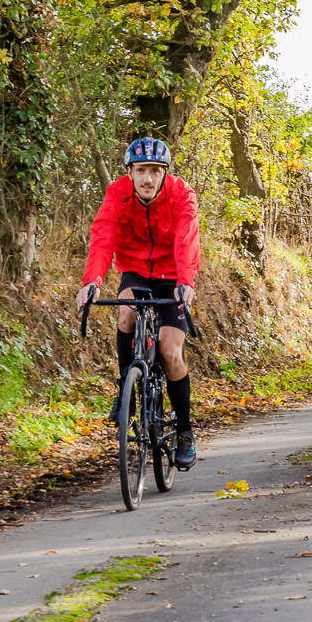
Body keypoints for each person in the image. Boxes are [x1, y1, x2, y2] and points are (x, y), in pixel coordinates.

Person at [76, 136, 202, 469]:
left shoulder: (181, 194)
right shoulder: (117, 194)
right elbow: (103, 237)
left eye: (155, 171)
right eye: (141, 170)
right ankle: (126, 390)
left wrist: (186, 283)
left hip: (174, 274)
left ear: (165, 173)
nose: (148, 179)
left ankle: (185, 431)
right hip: (135, 271)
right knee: (126, 318)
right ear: (130, 171)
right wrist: (92, 281)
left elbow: (187, 238)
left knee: (170, 352)